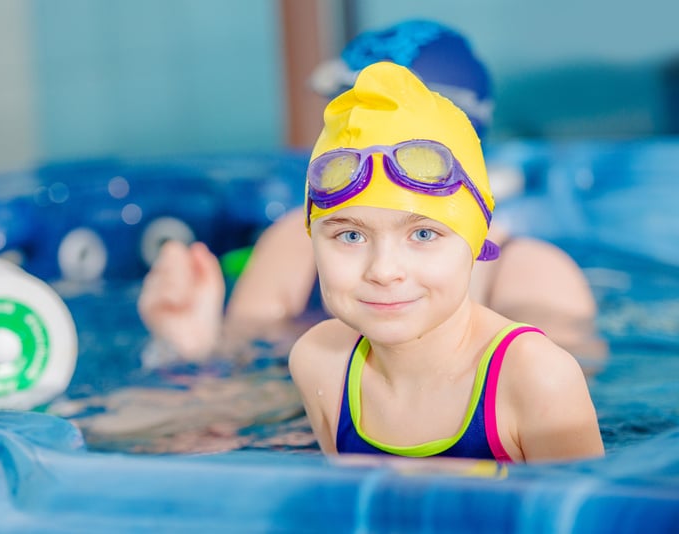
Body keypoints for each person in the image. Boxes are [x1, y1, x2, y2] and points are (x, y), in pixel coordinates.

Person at [138, 20, 605, 368]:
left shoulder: (533, 276)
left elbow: (546, 428)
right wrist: (187, 347)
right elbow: (232, 401)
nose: (349, 141)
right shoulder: (294, 244)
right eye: (339, 119)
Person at [288, 61, 604, 462]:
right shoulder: (319, 361)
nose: (384, 271)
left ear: (475, 240)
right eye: (351, 235)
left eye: (423, 234)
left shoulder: (535, 377)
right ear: (313, 241)